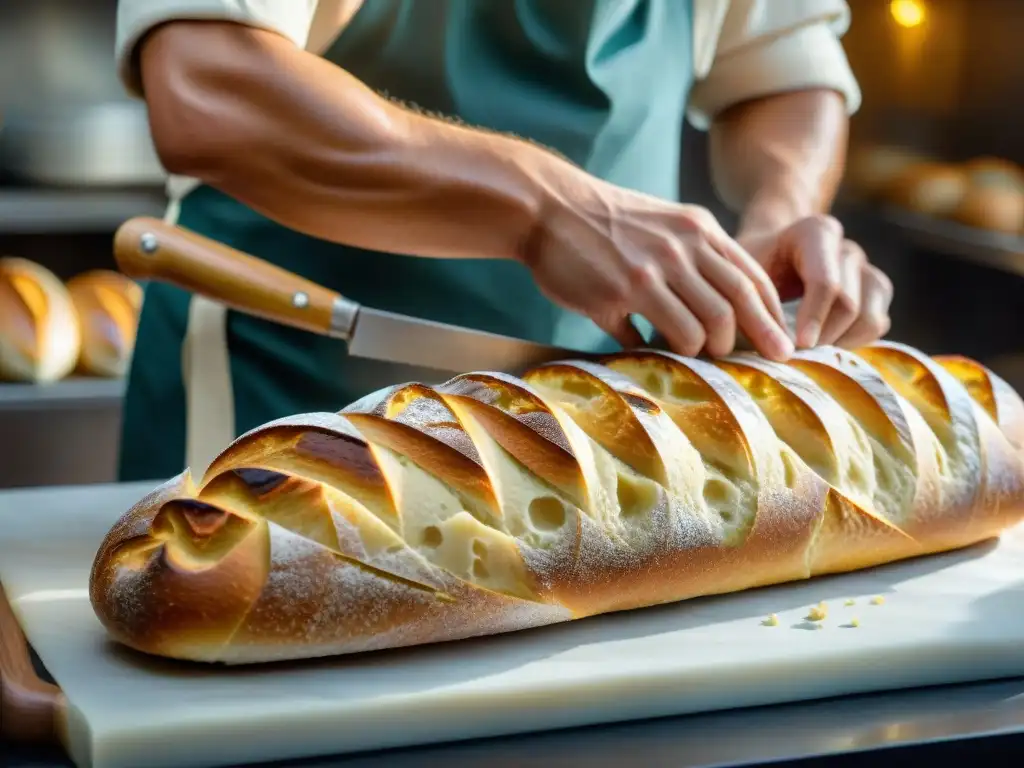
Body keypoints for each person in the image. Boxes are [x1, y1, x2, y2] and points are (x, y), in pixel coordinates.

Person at [115, 0, 894, 482]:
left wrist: (778, 212)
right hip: (275, 417)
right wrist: (545, 208)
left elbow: (781, 72)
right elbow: (206, 84)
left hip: (594, 445)